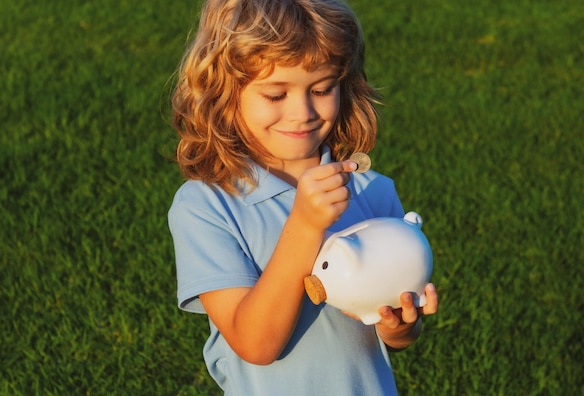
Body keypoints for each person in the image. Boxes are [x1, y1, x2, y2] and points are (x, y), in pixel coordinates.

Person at [167, 0, 439, 394]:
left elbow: (393, 336)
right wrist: (305, 225)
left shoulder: (371, 190)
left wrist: (400, 325)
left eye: (322, 88)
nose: (302, 112)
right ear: (224, 93)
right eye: (276, 95)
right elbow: (256, 344)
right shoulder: (206, 207)